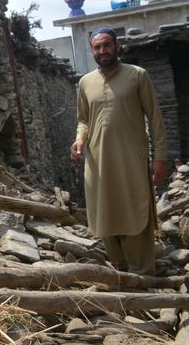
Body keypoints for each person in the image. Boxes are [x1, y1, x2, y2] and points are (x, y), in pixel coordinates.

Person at [70, 27, 167, 276]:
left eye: (107, 45)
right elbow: (83, 119)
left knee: (135, 206)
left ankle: (142, 272)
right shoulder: (85, 82)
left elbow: (155, 119)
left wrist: (160, 159)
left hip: (131, 159)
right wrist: (80, 139)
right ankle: (121, 268)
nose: (102, 51)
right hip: (98, 160)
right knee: (104, 209)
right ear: (91, 51)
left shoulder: (137, 76)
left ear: (117, 46)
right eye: (97, 47)